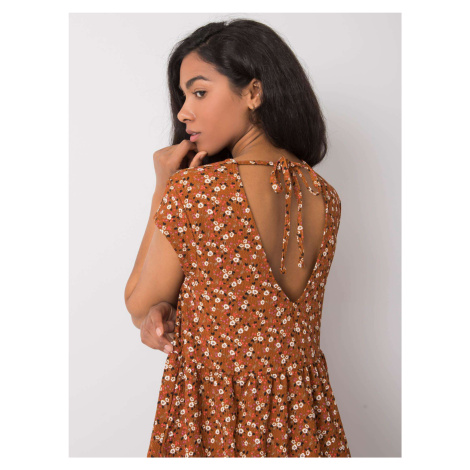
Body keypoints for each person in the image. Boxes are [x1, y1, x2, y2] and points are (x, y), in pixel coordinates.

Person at [124, 18, 351, 457]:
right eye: (183, 96)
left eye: (199, 92)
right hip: (304, 415)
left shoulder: (198, 192)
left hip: (215, 416)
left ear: (253, 92)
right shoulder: (326, 195)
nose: (183, 112)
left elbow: (137, 304)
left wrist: (164, 189)